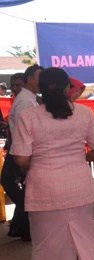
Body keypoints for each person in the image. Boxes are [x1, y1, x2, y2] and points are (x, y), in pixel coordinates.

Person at [11, 67, 94, 260]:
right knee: (76, 248)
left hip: (43, 190)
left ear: (41, 88)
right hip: (78, 188)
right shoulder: (84, 113)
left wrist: (40, 162)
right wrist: (80, 158)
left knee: (43, 250)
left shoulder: (29, 117)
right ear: (67, 88)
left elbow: (20, 158)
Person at [2, 64, 42, 241]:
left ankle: (24, 224)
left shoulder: (29, 98)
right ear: (31, 78)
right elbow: (24, 130)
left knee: (20, 186)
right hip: (21, 152)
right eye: (39, 77)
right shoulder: (25, 100)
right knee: (13, 184)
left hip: (22, 150)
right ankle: (26, 218)